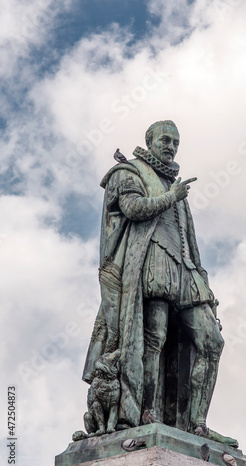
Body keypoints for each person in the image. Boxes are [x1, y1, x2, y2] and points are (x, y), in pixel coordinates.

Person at [83, 120, 224, 434]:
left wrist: (205, 284)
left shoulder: (176, 187)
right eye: (165, 139)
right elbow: (132, 209)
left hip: (184, 270)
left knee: (211, 341)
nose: (171, 146)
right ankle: (146, 413)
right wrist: (171, 197)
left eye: (176, 141)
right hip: (151, 263)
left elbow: (190, 241)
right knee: (155, 338)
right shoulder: (128, 172)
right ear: (149, 141)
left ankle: (196, 423)